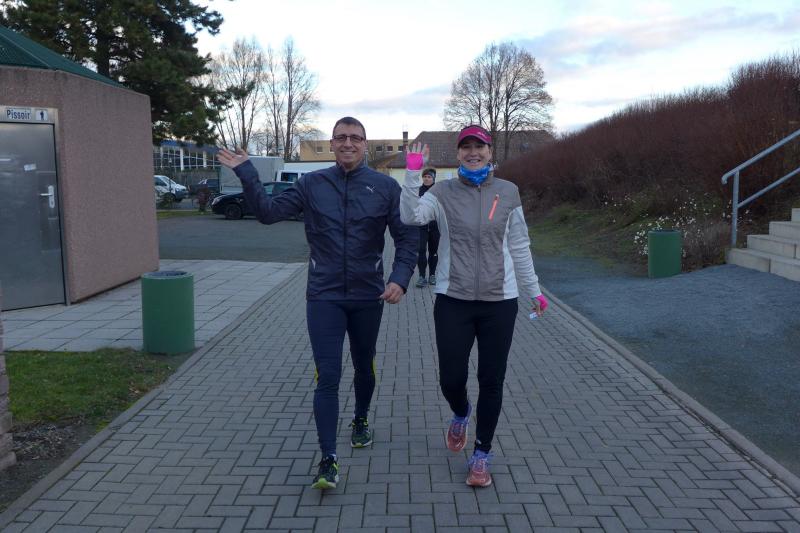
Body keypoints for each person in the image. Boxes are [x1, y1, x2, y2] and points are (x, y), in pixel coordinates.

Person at [217, 117, 418, 490]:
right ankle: (328, 458)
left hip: (368, 294)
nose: (347, 143)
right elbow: (267, 213)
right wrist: (247, 172)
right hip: (324, 295)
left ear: (365, 144)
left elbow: (407, 237)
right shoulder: (312, 184)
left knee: (364, 364)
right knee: (328, 375)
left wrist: (400, 278)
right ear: (332, 143)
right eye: (341, 137)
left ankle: (360, 418)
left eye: (355, 138)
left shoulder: (385, 187)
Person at [399, 124, 549, 487]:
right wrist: (412, 174)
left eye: (479, 147)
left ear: (489, 151)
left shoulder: (508, 192)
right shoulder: (442, 192)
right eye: (466, 147)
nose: (473, 152)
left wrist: (534, 290)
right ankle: (461, 411)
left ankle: (482, 454)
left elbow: (519, 245)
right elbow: (410, 216)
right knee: (451, 378)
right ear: (458, 154)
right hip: (454, 299)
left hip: (500, 302)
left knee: (491, 380)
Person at [415, 168, 440, 288]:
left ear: (433, 178)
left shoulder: (438, 192)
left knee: (433, 251)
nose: (426, 179)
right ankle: (421, 276)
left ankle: (432, 275)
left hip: (435, 227)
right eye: (425, 176)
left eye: (429, 177)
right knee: (421, 250)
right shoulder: (417, 191)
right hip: (421, 227)